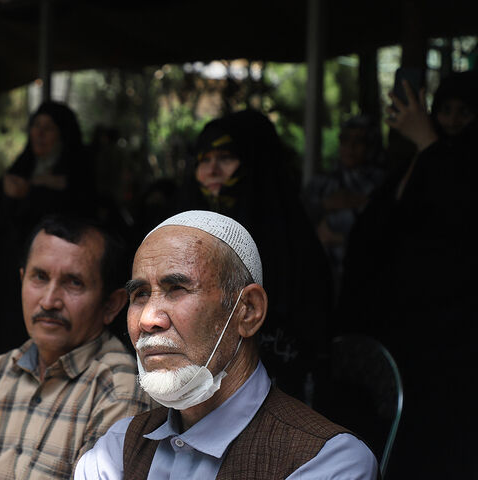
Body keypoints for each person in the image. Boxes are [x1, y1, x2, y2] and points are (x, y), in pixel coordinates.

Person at [75, 210, 377, 479]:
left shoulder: (326, 461)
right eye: (140, 294)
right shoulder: (117, 451)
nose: (148, 319)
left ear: (248, 311)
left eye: (177, 289)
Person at [0, 215, 153, 480]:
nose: (49, 301)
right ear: (22, 280)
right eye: (39, 277)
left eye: (74, 282)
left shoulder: (119, 390)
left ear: (111, 305)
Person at [338, 71, 478, 477]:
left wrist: (430, 145)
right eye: (444, 110)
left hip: (455, 351)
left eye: (464, 113)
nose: (451, 121)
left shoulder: (451, 164)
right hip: (401, 343)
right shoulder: (412, 165)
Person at [174, 111, 333, 401]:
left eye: (225, 158)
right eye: (204, 160)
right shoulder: (179, 231)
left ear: (253, 164)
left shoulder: (287, 241)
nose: (211, 171)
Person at [303, 115, 385, 286]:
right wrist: (325, 205)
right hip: (322, 281)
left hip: (369, 281)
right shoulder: (322, 184)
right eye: (345, 139)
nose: (350, 147)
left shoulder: (383, 186)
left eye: (360, 141)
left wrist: (339, 238)